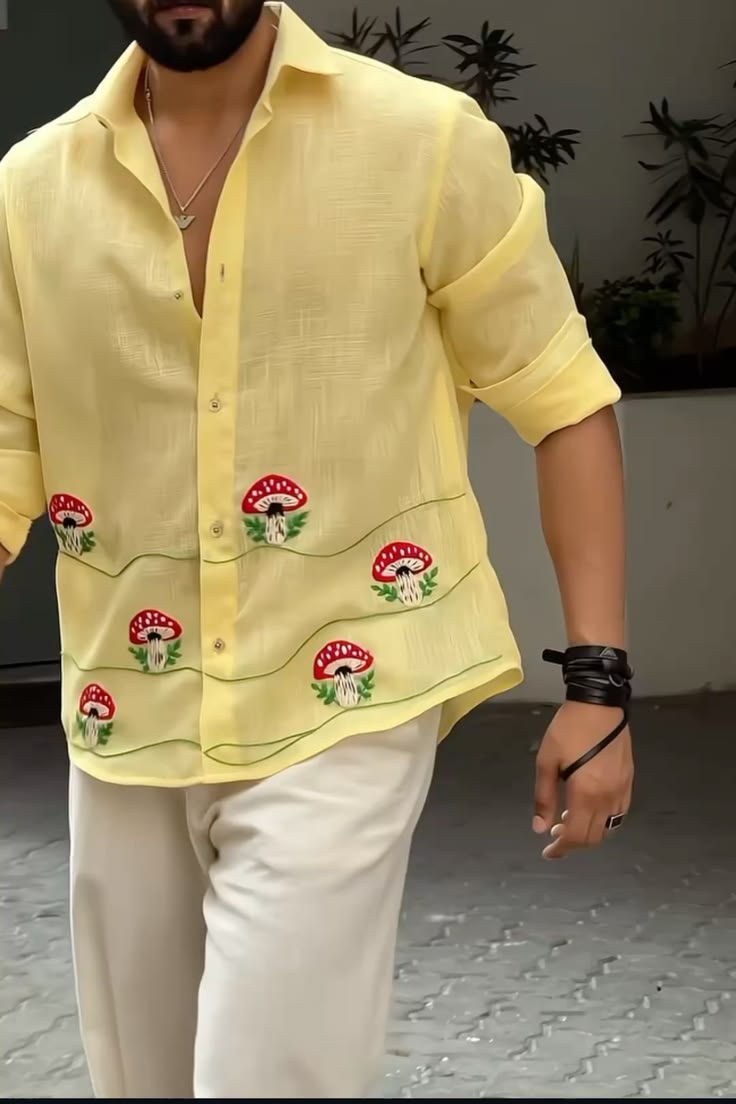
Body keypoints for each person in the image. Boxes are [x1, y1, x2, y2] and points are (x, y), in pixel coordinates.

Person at [0, 0, 634, 1097]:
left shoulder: (421, 141)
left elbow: (562, 396)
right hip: (126, 705)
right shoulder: (30, 188)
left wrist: (599, 684)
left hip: (347, 691)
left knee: (266, 1075)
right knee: (141, 1081)